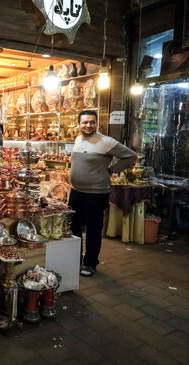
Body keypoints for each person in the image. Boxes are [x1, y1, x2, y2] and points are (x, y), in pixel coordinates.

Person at [69, 110, 137, 276]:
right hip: (76, 192)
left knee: (93, 229)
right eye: (84, 122)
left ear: (97, 123)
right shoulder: (78, 139)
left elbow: (130, 156)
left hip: (96, 194)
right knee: (73, 228)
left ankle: (90, 263)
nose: (88, 125)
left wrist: (112, 170)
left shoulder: (106, 141)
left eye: (92, 122)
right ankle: (74, 259)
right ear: (79, 124)